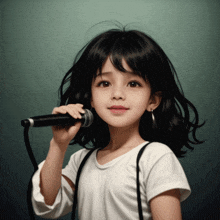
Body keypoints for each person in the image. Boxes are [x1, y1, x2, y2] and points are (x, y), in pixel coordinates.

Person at [31, 28, 203, 219]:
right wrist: (58, 144)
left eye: (133, 83)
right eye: (105, 83)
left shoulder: (156, 157)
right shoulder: (81, 160)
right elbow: (48, 205)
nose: (117, 94)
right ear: (91, 98)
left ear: (152, 100)